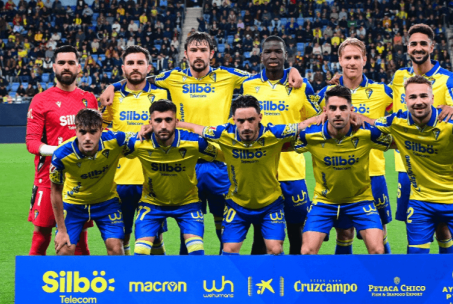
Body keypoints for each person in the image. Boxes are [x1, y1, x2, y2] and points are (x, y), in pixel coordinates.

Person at [99, 32, 304, 254]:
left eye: (203, 50)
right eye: (194, 50)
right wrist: (114, 85)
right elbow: (138, 78)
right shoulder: (171, 77)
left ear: (212, 53)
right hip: (186, 160)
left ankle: (221, 274)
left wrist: (291, 69)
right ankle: (189, 279)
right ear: (185, 54)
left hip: (220, 162)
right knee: (187, 226)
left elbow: (265, 75)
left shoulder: (229, 76)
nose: (199, 54)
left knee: (223, 228)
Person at [181, 95, 319, 255]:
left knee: (275, 249)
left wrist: (326, 116)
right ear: (233, 119)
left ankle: (272, 280)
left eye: (251, 120)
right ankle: (233, 280)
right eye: (240, 121)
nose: (246, 126)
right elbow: (195, 128)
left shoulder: (273, 134)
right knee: (229, 250)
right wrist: (174, 124)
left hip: (270, 204)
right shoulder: (224, 133)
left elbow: (303, 125)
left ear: (260, 117)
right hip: (238, 205)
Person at [373, 76, 453, 254]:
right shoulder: (397, 121)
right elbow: (368, 123)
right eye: (413, 97)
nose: (419, 102)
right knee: (416, 258)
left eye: (423, 96)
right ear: (405, 100)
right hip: (421, 202)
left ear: (432, 98)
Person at [389, 24, 453, 254]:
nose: (418, 48)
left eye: (423, 43)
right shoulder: (399, 76)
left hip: (439, 167)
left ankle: (447, 276)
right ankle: (419, 280)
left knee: (443, 228)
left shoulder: (448, 79)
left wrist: (452, 109)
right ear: (407, 47)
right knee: (414, 225)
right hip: (407, 166)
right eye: (414, 43)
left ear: (432, 47)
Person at [242, 36, 321, 255]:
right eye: (268, 52)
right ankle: (258, 284)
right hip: (260, 171)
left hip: (292, 171)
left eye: (278, 51)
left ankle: (295, 282)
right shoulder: (249, 85)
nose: (273, 56)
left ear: (286, 55)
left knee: (297, 232)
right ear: (261, 56)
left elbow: (318, 118)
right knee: (260, 234)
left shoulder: (302, 86)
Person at [317, 37, 394, 254]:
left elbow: (402, 116)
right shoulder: (325, 94)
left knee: (379, 233)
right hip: (338, 173)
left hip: (373, 174)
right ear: (340, 60)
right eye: (348, 57)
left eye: (356, 57)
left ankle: (384, 284)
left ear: (365, 60)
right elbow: (309, 119)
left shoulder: (382, 92)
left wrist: (365, 119)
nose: (352, 62)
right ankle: (344, 283)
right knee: (344, 234)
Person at [298, 86, 393, 255]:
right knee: (307, 251)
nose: (338, 113)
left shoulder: (366, 134)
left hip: (360, 200)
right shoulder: (310, 135)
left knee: (378, 250)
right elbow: (278, 144)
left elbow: (397, 138)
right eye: (333, 108)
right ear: (325, 111)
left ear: (352, 110)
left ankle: (378, 282)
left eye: (343, 108)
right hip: (324, 202)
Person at [25, 45, 98, 256]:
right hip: (48, 179)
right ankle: (32, 288)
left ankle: (84, 287)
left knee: (80, 239)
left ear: (79, 67)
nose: (66, 67)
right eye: (62, 63)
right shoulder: (41, 100)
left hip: (80, 179)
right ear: (54, 66)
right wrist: (61, 150)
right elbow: (32, 142)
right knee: (41, 236)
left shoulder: (89, 99)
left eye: (71, 63)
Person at [101, 46, 170, 255]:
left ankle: (159, 280)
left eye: (140, 63)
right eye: (130, 63)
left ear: (148, 67)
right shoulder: (112, 98)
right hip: (120, 177)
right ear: (123, 68)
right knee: (123, 234)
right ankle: (129, 280)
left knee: (155, 235)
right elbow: (102, 131)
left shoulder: (161, 94)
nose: (135, 67)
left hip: (153, 176)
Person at [130, 100, 221, 255]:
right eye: (158, 121)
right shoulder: (138, 143)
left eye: (168, 120)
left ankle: (191, 279)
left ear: (177, 122)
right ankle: (158, 272)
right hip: (152, 204)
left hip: (187, 204)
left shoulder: (195, 143)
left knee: (196, 251)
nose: (163, 126)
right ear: (150, 122)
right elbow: (110, 149)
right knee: (140, 251)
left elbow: (227, 157)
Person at [50, 109, 134, 256]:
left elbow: (142, 143)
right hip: (74, 206)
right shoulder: (61, 155)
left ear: (102, 130)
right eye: (82, 132)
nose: (87, 138)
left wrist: (149, 129)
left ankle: (117, 278)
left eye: (93, 132)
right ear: (75, 130)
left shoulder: (116, 141)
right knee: (64, 250)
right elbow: (55, 191)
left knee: (115, 247)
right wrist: (62, 231)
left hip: (107, 203)